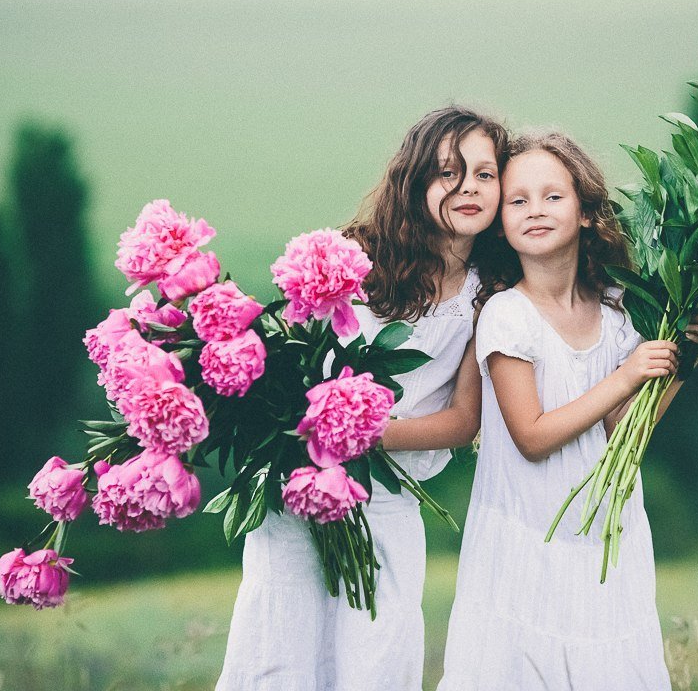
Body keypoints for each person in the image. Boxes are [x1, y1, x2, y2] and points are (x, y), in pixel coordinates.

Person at [217, 105, 509, 691]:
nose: (468, 188)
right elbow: (294, 357)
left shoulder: (491, 293)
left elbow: (461, 421)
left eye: (485, 173)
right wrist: (308, 428)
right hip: (299, 491)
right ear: (416, 179)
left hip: (388, 500)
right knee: (280, 652)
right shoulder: (357, 259)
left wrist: (359, 431)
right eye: (448, 172)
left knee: (376, 661)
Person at [439, 130, 698, 690]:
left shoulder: (617, 310)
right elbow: (533, 437)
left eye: (553, 197)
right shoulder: (507, 316)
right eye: (517, 201)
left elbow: (623, 432)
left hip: (605, 537)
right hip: (527, 540)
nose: (534, 211)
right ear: (501, 223)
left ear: (588, 213)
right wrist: (628, 374)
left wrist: (686, 360)